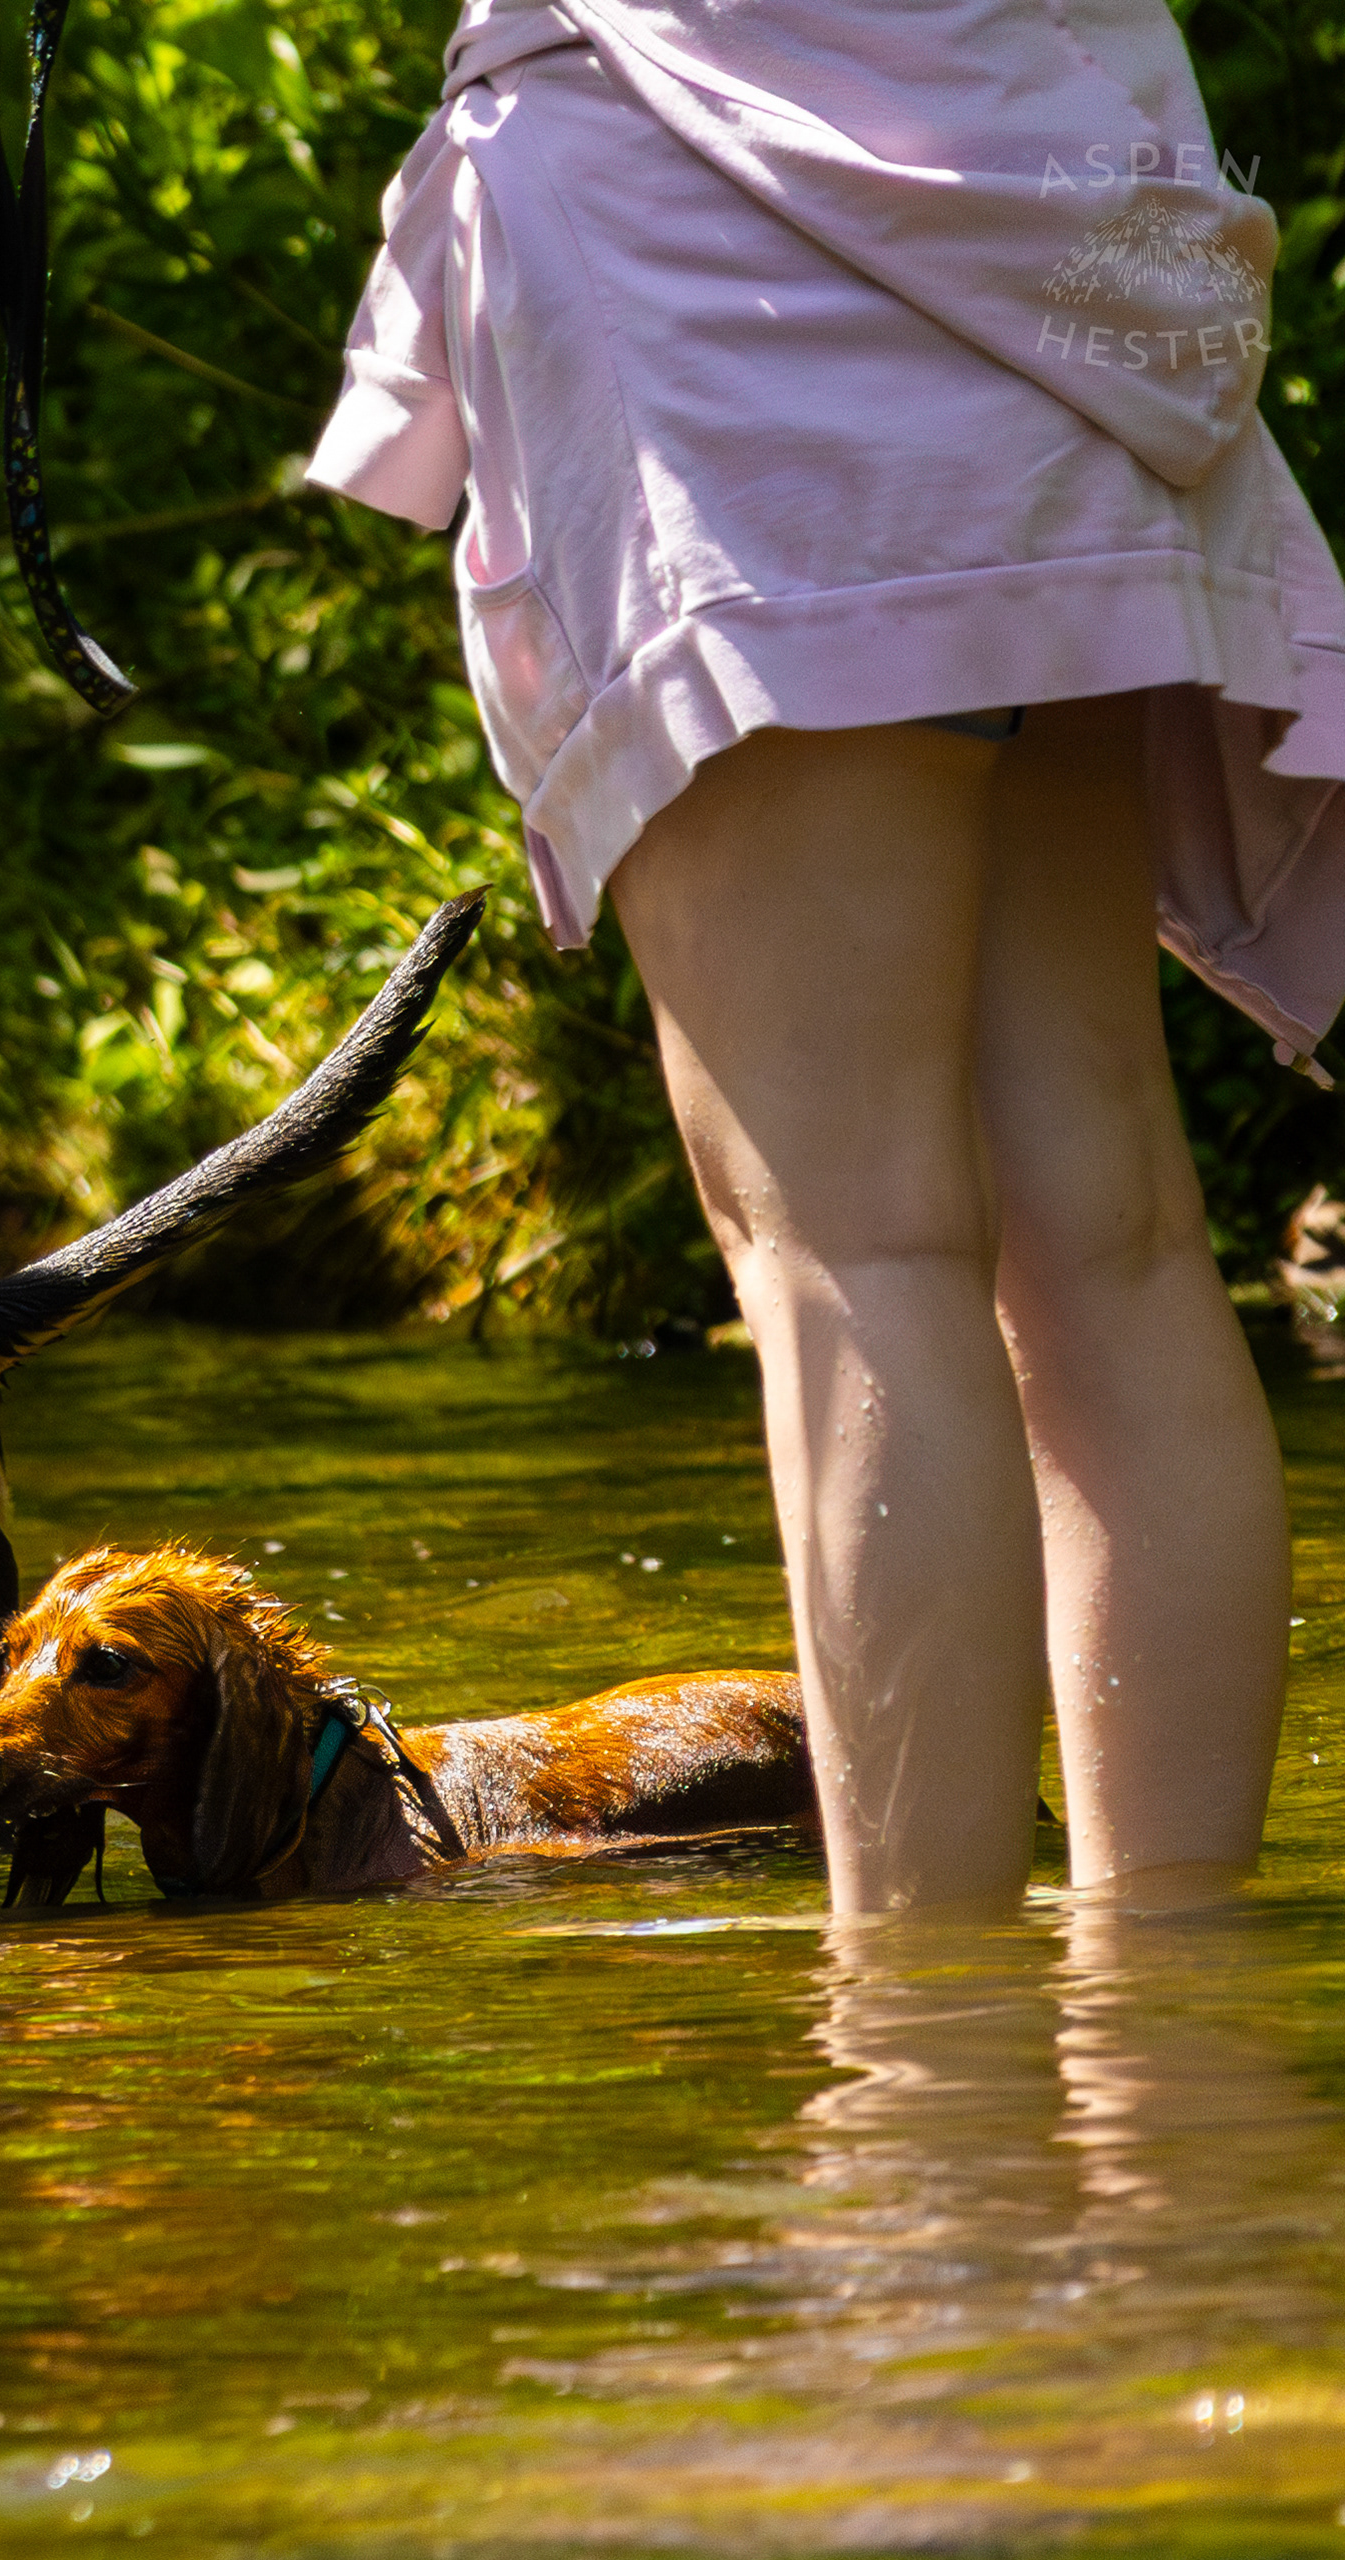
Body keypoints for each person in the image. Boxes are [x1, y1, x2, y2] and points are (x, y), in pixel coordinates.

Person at [310, 0, 1345, 1914]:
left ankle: (923, 2087)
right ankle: (1177, 2058)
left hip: (725, 303)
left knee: (853, 1243)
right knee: (1108, 1233)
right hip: (1064, 268)